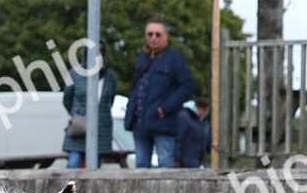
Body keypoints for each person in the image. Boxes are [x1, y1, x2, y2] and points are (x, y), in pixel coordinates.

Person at [124, 19, 194, 167]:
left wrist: (165, 108)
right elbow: (135, 87)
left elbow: (188, 86)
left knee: (165, 164)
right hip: (140, 121)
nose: (153, 38)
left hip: (162, 122)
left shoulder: (174, 57)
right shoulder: (142, 57)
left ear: (165, 37)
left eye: (158, 34)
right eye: (150, 34)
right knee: (141, 166)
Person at [62, 40, 117, 168]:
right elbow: (67, 99)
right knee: (73, 163)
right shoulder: (75, 74)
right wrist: (78, 113)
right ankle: (69, 188)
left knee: (94, 167)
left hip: (100, 128)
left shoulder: (109, 77)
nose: (97, 55)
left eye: (100, 51)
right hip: (79, 127)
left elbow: (110, 101)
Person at [175, 97, 211, 168]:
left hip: (196, 161)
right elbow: (178, 138)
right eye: (205, 111)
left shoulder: (202, 122)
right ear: (199, 107)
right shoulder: (185, 118)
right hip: (186, 160)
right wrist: (177, 158)